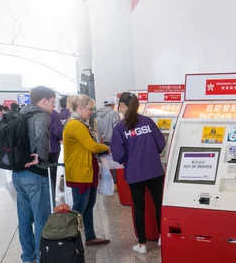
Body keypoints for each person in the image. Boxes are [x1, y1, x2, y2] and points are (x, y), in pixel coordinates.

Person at [111, 92, 165, 254]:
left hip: (135, 174)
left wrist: (131, 157)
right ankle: (163, 237)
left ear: (121, 106)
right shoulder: (148, 122)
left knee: (139, 208)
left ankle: (142, 244)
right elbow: (161, 143)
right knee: (159, 204)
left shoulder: (120, 128)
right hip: (155, 170)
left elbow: (118, 155)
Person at [13, 86, 56, 263]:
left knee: (24, 218)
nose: (54, 107)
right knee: (41, 218)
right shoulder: (40, 115)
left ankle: (27, 256)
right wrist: (42, 156)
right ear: (43, 100)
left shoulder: (20, 114)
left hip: (18, 173)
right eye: (53, 102)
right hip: (36, 173)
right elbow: (40, 135)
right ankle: (42, 258)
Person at [63, 95, 110, 246]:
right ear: (80, 108)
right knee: (79, 208)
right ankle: (68, 239)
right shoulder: (75, 124)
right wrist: (106, 147)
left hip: (87, 172)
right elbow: (92, 146)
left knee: (88, 206)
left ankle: (90, 236)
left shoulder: (82, 123)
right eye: (89, 109)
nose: (91, 112)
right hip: (80, 173)